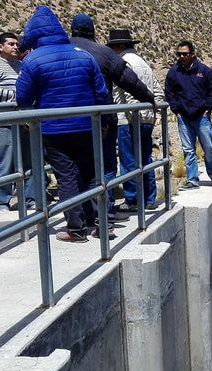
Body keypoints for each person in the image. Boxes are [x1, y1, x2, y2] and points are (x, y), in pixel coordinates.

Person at [16, 6, 109, 242]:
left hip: (54, 129)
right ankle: (102, 224)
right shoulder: (83, 55)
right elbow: (101, 92)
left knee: (66, 176)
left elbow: (23, 98)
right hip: (88, 126)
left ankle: (76, 229)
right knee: (92, 173)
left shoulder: (33, 60)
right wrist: (103, 121)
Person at [69, 14, 155, 218]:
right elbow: (129, 81)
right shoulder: (104, 54)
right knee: (107, 166)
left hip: (66, 122)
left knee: (73, 169)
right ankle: (104, 214)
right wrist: (149, 99)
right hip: (102, 120)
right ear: (93, 31)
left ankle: (79, 217)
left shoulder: (59, 50)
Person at [106, 29, 164, 211]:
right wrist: (155, 115)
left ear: (121, 46)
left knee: (129, 160)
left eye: (114, 47)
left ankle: (132, 200)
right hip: (146, 119)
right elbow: (158, 92)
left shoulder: (124, 63)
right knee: (145, 158)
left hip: (129, 120)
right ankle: (149, 198)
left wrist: (133, 115)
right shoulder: (144, 64)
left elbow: (131, 93)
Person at [0, 32, 34, 212]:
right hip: (3, 121)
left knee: (29, 160)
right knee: (5, 162)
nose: (15, 47)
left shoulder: (20, 65)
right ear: (0, 47)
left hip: (23, 121)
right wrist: (16, 97)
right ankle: (1, 202)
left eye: (16, 44)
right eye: (10, 44)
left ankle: (30, 198)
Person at [164, 40, 212, 190]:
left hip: (201, 117)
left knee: (208, 148)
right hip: (184, 117)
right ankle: (192, 180)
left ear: (192, 54)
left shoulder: (204, 71)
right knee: (188, 150)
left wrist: (208, 108)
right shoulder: (174, 72)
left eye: (185, 54)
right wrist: (176, 110)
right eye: (179, 54)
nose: (182, 56)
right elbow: (169, 92)